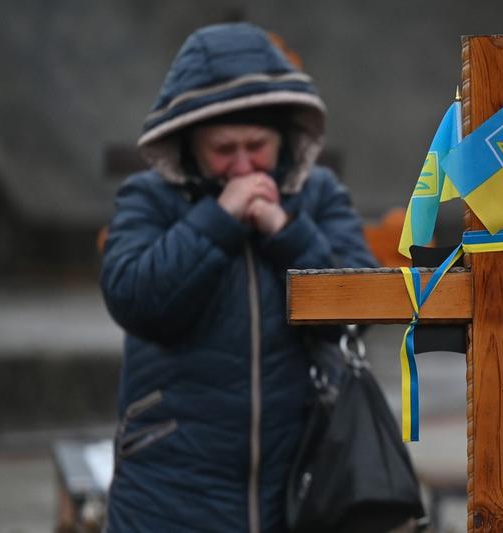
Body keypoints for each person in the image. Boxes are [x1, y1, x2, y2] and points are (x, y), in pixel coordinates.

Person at [100, 23, 377, 532]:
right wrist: (219, 220)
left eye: (257, 146)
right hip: (167, 492)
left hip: (299, 488)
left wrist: (284, 231)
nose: (245, 166)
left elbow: (358, 306)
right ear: (189, 144)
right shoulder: (149, 197)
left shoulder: (317, 194)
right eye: (224, 149)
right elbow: (133, 297)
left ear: (286, 139)